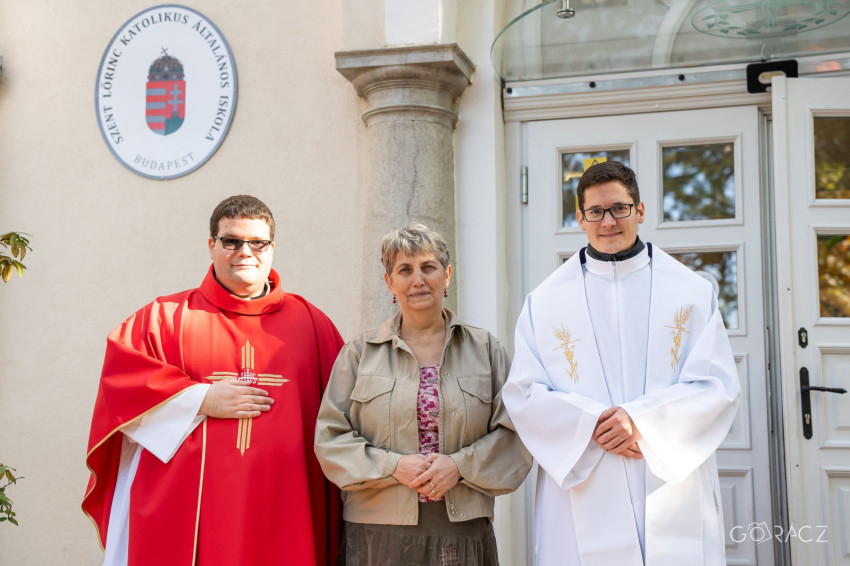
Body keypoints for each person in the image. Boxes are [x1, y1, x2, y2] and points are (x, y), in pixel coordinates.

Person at [83, 195, 343, 566]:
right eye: (231, 241)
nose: (245, 252)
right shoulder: (165, 317)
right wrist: (201, 399)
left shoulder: (313, 325)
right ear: (212, 246)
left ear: (272, 248)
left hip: (286, 503)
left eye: (257, 243)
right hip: (188, 512)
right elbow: (121, 383)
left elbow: (346, 412)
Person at [502, 161, 741, 566]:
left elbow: (717, 386)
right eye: (595, 211)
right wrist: (589, 425)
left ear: (640, 210)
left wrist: (641, 422)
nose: (608, 221)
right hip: (586, 478)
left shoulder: (691, 293)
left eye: (619, 208)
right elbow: (524, 393)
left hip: (665, 475)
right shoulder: (544, 303)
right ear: (580, 218)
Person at [314, 223, 531, 566]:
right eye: (405, 270)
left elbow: (516, 435)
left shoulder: (486, 350)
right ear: (390, 282)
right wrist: (393, 466)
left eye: (428, 267)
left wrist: (459, 466)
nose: (418, 280)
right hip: (376, 537)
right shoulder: (359, 353)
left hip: (462, 535)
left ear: (446, 276)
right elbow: (330, 439)